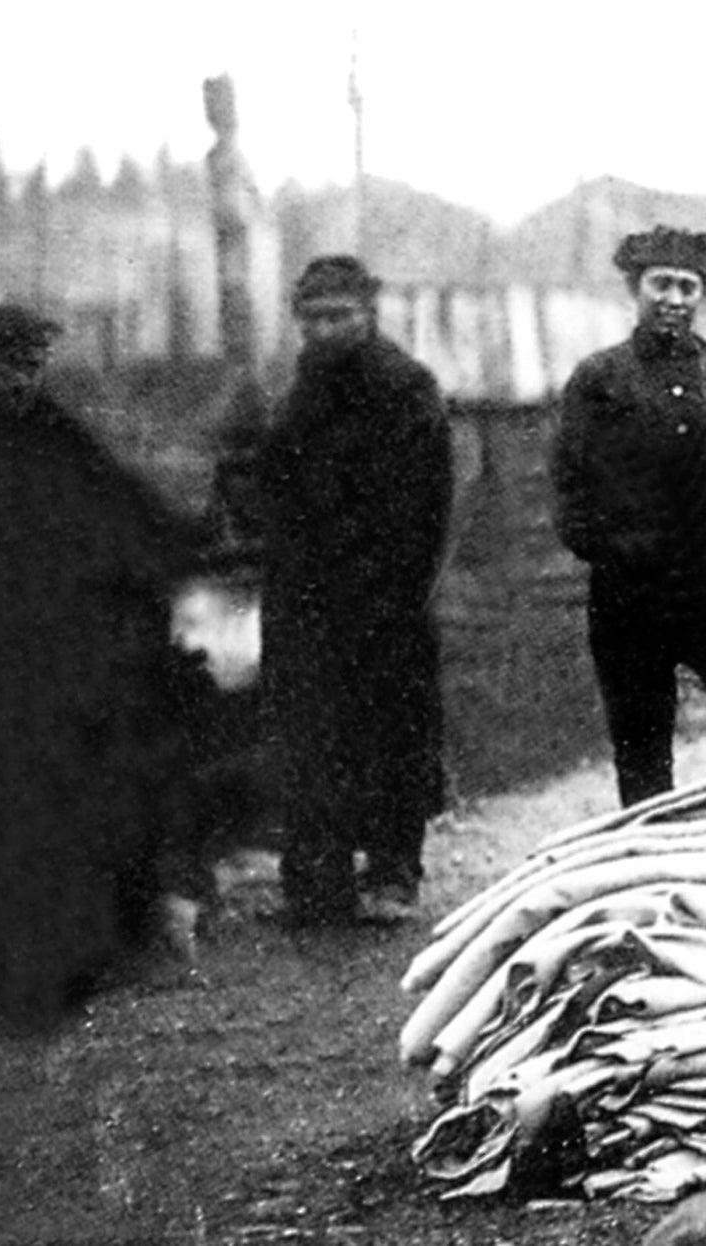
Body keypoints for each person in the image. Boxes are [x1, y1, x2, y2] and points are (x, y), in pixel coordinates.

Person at [0, 303, 204, 1024]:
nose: (20, 379)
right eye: (7, 364)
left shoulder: (43, 426)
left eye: (31, 365)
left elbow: (118, 506)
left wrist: (169, 545)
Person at [554, 225, 706, 807]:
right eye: (660, 283)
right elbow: (568, 480)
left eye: (688, 286)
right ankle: (651, 873)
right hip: (628, 602)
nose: (674, 298)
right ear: (634, 290)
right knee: (642, 758)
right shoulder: (599, 379)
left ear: (701, 294)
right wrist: (608, 550)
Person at [255, 255, 455, 925]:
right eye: (313, 318)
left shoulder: (406, 389)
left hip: (383, 597)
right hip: (306, 599)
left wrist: (395, 590)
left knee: (391, 733)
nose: (326, 329)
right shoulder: (296, 396)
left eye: (340, 315)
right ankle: (317, 878)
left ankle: (393, 874)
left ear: (369, 314)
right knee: (311, 734)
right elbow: (273, 491)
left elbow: (424, 503)